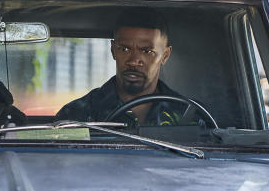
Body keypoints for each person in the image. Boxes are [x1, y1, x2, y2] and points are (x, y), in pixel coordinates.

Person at [55, 12, 191, 127]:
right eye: (125, 49)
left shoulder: (189, 115)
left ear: (165, 55)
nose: (133, 61)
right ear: (113, 50)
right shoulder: (76, 116)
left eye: (147, 51)